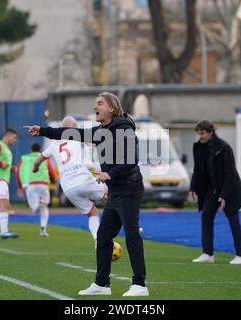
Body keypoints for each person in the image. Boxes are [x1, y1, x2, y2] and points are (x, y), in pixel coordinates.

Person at [24, 91, 148, 297]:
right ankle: (102, 284)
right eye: (95, 103)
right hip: (116, 190)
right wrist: (43, 130)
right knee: (103, 236)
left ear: (111, 108)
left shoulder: (124, 130)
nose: (94, 107)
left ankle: (140, 285)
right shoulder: (101, 130)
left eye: (99, 103)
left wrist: (110, 173)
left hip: (129, 188)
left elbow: (131, 161)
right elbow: (73, 134)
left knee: (132, 234)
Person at [33, 116, 106, 244]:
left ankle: (97, 239)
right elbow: (96, 142)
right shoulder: (78, 138)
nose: (77, 128)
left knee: (93, 213)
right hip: (83, 178)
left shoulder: (53, 145)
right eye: (75, 125)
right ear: (71, 127)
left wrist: (35, 168)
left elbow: (38, 160)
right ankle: (128, 224)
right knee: (109, 196)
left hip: (68, 187)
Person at [189, 119, 241, 265]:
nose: (200, 136)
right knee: (206, 215)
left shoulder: (224, 148)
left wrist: (224, 195)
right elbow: (197, 169)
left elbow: (230, 174)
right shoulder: (198, 147)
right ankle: (207, 254)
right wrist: (193, 187)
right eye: (198, 133)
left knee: (233, 220)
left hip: (229, 189)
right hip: (212, 189)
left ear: (211, 132)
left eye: (202, 133)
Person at [17, 143, 56, 236]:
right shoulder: (45, 158)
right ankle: (43, 229)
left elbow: (19, 172)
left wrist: (20, 186)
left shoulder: (25, 158)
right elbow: (51, 172)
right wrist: (53, 180)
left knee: (34, 210)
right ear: (41, 149)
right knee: (45, 207)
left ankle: (38, 206)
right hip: (43, 184)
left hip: (31, 185)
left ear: (30, 149)